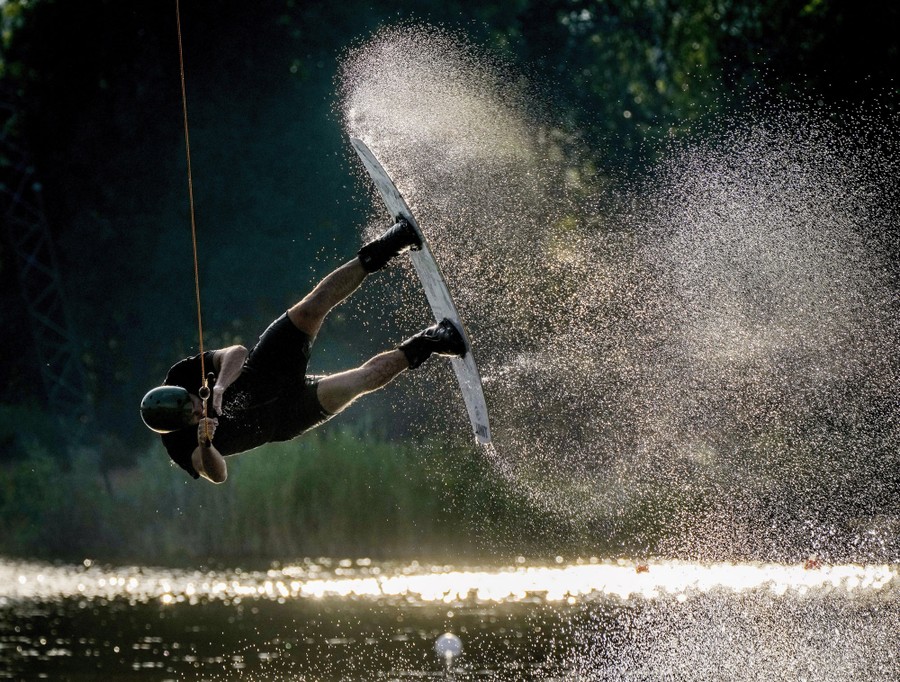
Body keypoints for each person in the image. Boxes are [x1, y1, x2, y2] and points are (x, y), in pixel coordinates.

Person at [140, 219, 466, 483]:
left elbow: (235, 352)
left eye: (194, 406)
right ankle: (432, 341)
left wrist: (221, 386)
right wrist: (205, 441)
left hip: (267, 366)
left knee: (312, 308)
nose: (200, 412)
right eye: (193, 417)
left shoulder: (181, 375)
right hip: (286, 417)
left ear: (181, 392)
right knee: (360, 382)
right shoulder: (180, 445)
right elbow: (217, 473)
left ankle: (388, 245)